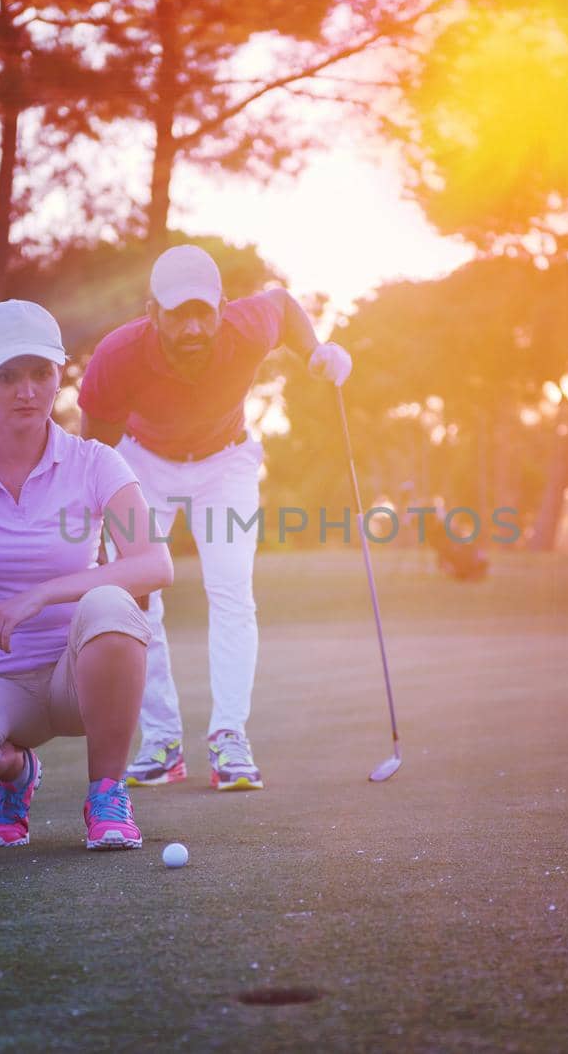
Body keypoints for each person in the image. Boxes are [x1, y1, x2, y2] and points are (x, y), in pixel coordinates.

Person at [0, 299, 173, 850]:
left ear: (59, 374)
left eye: (41, 373)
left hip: (77, 675)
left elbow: (154, 564)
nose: (27, 391)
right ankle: (16, 776)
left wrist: (39, 596)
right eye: (8, 376)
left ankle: (108, 794)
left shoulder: (94, 461)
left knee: (113, 603)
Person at [77, 245, 353, 791]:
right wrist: (96, 528)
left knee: (231, 590)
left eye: (204, 311)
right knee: (136, 596)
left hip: (226, 463)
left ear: (223, 307)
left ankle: (230, 737)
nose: (193, 327)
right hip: (141, 464)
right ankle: (161, 739)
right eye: (178, 314)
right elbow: (94, 454)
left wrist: (317, 352)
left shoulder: (248, 325)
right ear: (153, 312)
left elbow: (282, 304)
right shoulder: (117, 356)